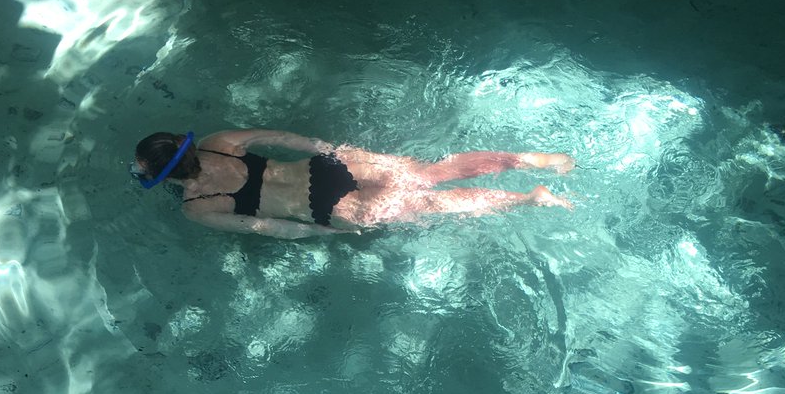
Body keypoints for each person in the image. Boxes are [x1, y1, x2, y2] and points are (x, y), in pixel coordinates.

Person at [132, 127, 575, 240]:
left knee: (435, 205)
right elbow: (284, 139)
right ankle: (527, 160)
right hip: (327, 168)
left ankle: (528, 199)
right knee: (432, 173)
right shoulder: (218, 143)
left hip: (325, 209)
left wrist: (322, 234)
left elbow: (268, 227)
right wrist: (331, 149)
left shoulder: (198, 207)